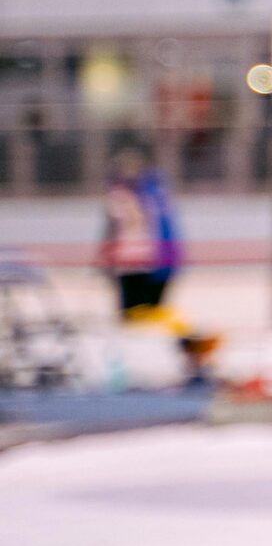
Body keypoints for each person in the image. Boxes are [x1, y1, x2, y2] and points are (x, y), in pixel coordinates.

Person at [98, 145, 216, 382]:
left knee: (139, 318)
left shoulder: (133, 195)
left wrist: (107, 257)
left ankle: (188, 345)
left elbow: (123, 225)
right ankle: (187, 347)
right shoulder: (156, 192)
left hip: (140, 265)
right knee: (148, 317)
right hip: (154, 264)